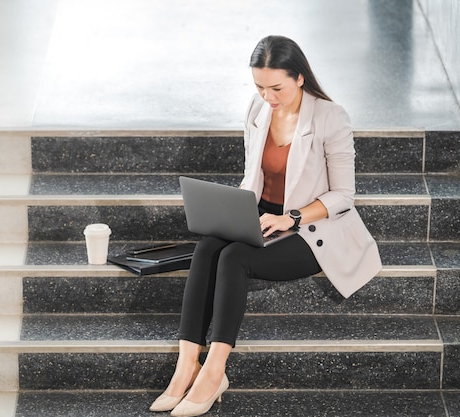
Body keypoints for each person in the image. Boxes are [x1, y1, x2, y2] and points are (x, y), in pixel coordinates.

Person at [149, 35, 382, 416]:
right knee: (207, 247)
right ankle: (185, 365)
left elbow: (343, 196)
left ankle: (214, 372)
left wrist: (290, 217)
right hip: (263, 217)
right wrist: (236, 209)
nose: (268, 96)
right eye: (259, 86)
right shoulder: (258, 109)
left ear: (300, 78)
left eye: (277, 87)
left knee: (234, 258)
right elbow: (252, 177)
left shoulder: (330, 117)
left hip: (312, 229)